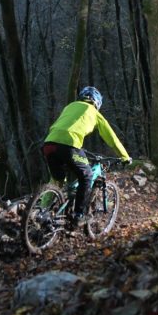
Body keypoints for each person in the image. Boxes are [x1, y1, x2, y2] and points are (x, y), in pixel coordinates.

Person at [42, 86, 131, 227]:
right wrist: (125, 156)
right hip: (69, 145)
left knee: (57, 179)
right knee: (87, 175)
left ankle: (41, 211)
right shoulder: (94, 113)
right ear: (97, 103)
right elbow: (112, 139)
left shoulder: (69, 107)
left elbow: (63, 126)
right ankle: (79, 215)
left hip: (48, 144)